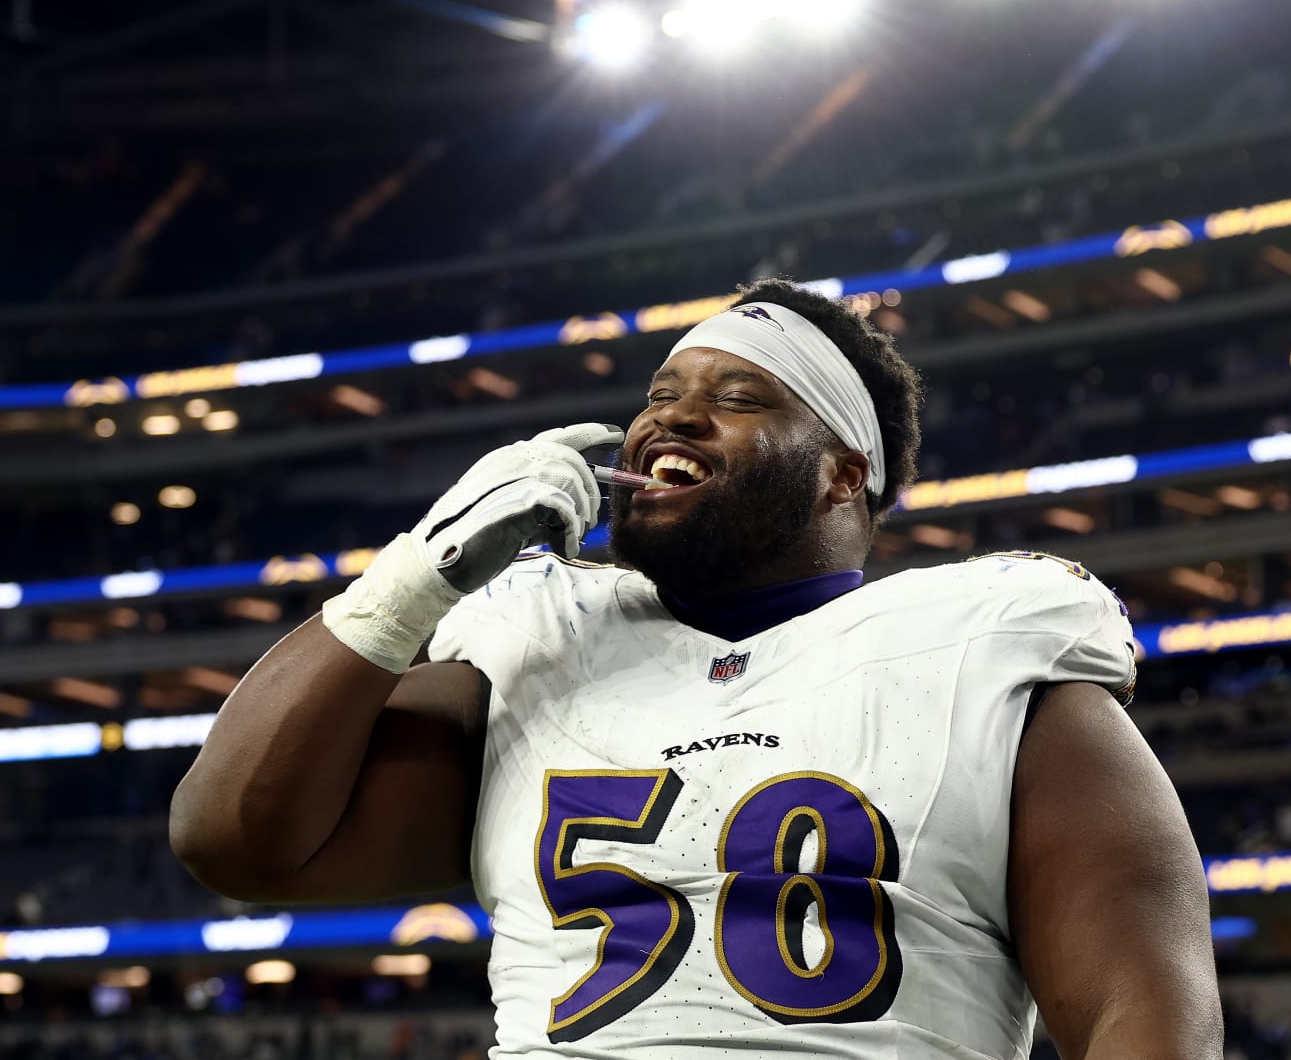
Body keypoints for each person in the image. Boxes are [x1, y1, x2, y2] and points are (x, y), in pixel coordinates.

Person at [171, 279, 1223, 1059]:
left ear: (843, 475)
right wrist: (418, 575)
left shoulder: (985, 653)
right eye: (662, 392)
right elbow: (235, 839)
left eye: (739, 397)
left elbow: (1146, 1021)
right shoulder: (542, 646)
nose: (668, 415)